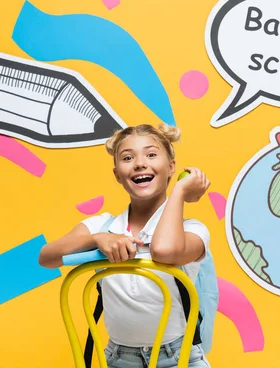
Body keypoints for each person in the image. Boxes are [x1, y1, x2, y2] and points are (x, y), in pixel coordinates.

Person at [39, 123, 212, 367]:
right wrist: (96, 239)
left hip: (180, 357)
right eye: (128, 158)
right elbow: (46, 257)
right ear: (117, 174)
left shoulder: (192, 230)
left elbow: (163, 251)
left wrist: (180, 192)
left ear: (171, 167)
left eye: (151, 154)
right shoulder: (101, 225)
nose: (140, 163)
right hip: (121, 359)